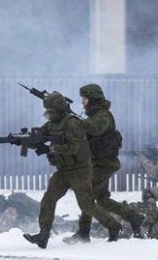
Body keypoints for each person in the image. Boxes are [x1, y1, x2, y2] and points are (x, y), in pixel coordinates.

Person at [22, 92, 121, 249]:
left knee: (87, 205)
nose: (48, 113)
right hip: (63, 170)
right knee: (48, 199)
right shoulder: (51, 124)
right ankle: (44, 234)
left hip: (79, 170)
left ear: (59, 109)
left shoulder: (72, 123)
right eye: (47, 110)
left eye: (51, 110)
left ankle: (113, 226)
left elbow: (72, 147)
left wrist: (50, 149)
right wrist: (30, 141)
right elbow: (40, 135)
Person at [63, 84, 143, 244]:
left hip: (104, 164)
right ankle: (134, 217)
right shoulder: (95, 115)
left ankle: (84, 232)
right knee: (102, 199)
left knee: (86, 196)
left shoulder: (103, 116)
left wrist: (74, 121)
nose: (83, 102)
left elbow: (94, 129)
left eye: (85, 98)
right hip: (98, 163)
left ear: (93, 99)